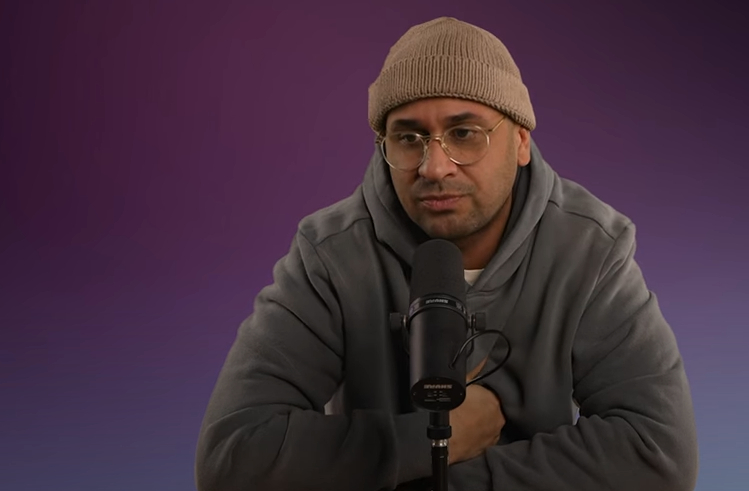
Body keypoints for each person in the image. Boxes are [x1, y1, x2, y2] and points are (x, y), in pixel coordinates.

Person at [194, 16, 699, 491]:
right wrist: (432, 441)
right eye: (408, 137)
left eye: (464, 134)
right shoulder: (331, 254)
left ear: (521, 141)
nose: (434, 167)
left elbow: (658, 453)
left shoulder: (590, 246)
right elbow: (230, 458)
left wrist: (436, 480)